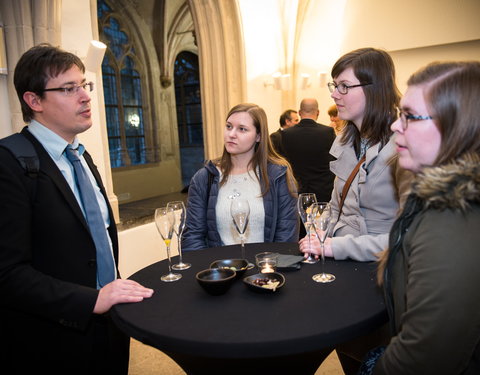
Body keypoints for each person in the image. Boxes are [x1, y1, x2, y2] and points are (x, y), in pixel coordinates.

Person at [0, 44, 153, 374]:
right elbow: (7, 274)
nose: (85, 96)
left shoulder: (80, 157)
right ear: (34, 101)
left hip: (109, 328)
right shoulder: (8, 164)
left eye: (84, 85)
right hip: (53, 341)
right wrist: (90, 300)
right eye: (69, 89)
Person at [359, 61, 480, 374]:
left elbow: (423, 357)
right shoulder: (435, 199)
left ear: (459, 127)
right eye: (400, 114)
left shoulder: (453, 216)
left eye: (410, 116)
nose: (395, 126)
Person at [298, 48, 412, 374]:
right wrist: (319, 232)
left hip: (387, 282)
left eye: (344, 86)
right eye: (334, 85)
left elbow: (408, 237)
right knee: (351, 356)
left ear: (373, 87)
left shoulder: (404, 147)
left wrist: (334, 245)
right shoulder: (347, 140)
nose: (335, 94)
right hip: (347, 276)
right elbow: (335, 206)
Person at [182, 103, 298, 251]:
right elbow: (192, 237)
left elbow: (286, 236)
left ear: (258, 136)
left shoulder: (277, 175)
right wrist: (214, 272)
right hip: (220, 270)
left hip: (266, 270)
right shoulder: (204, 178)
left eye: (242, 129)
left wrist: (267, 271)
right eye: (229, 126)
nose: (231, 134)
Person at [282, 98, 336, 204]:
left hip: (295, 190)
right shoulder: (327, 132)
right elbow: (334, 160)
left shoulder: (286, 134)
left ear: (299, 112)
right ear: (318, 112)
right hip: (323, 190)